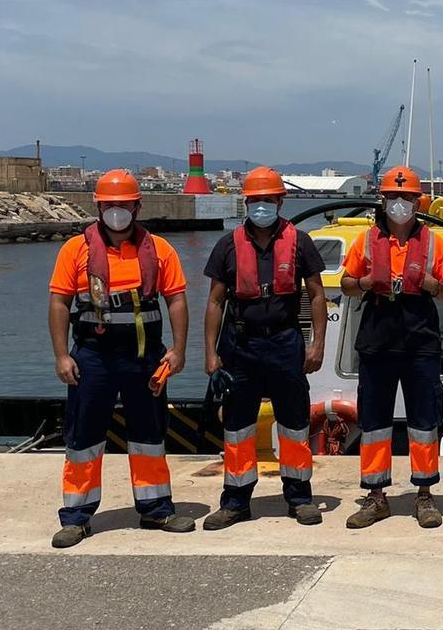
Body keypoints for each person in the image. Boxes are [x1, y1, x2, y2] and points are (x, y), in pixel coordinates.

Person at [47, 169, 193, 548]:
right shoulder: (74, 251)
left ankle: (156, 509)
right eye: (110, 205)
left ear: (137, 207)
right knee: (83, 438)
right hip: (92, 358)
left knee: (149, 435)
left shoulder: (160, 250)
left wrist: (178, 350)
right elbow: (59, 302)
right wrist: (62, 355)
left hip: (145, 359)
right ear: (98, 207)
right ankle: (76, 517)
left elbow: (176, 299)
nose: (117, 212)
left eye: (124, 205)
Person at [200, 166, 328, 530]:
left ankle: (300, 497)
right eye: (255, 201)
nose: (261, 207)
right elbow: (214, 302)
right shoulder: (227, 245)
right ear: (246, 203)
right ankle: (236, 501)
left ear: (280, 201)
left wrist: (317, 344)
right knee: (238, 425)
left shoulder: (300, 241)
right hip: (240, 344)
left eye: (267, 200)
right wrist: (210, 352)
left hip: (285, 341)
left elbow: (317, 294)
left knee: (294, 422)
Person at [338, 166, 443, 529]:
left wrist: (430, 284)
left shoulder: (436, 243)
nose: (400, 203)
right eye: (394, 197)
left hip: (420, 339)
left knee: (424, 421)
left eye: (406, 197)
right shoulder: (365, 240)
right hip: (377, 338)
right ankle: (375, 496)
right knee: (374, 421)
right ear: (384, 200)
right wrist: (364, 281)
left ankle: (424, 495)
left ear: (417, 201)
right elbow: (345, 284)